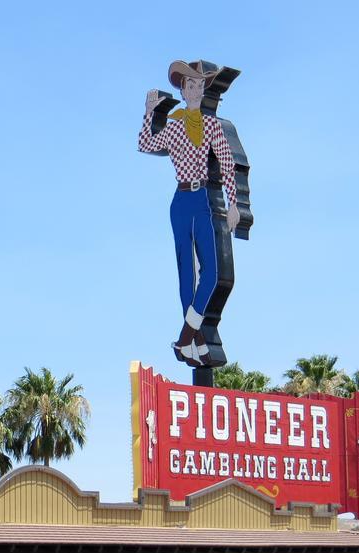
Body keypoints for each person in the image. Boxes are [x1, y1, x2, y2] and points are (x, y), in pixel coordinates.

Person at [138, 60, 240, 367]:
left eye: (199, 85)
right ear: (183, 91)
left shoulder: (211, 126)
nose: (194, 90)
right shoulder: (173, 126)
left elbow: (227, 163)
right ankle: (194, 345)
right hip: (180, 200)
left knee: (211, 271)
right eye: (189, 85)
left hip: (202, 199)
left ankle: (185, 337)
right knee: (186, 272)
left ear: (203, 90)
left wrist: (233, 203)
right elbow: (144, 144)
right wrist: (148, 112)